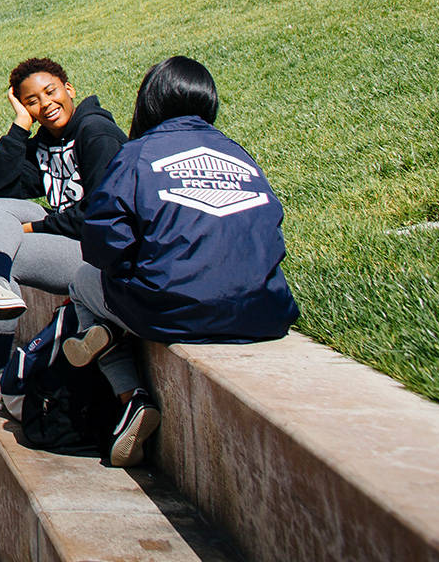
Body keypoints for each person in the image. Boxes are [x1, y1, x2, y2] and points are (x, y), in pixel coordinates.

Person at [64, 56, 299, 467]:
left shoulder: (136, 155)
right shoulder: (241, 156)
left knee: (82, 281)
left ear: (148, 103)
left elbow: (101, 244)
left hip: (171, 311)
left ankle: (119, 375)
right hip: (265, 313)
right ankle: (105, 335)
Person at [0, 58, 127, 402]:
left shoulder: (96, 133)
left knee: (8, 259)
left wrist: (36, 226)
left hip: (104, 257)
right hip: (73, 246)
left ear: (69, 89)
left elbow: (101, 215)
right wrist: (20, 127)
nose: (45, 104)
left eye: (50, 92)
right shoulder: (45, 144)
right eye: (32, 101)